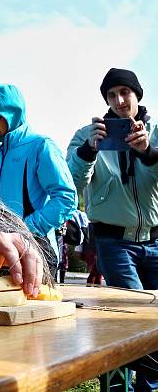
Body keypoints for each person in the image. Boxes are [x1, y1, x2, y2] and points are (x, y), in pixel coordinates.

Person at [67, 68, 158, 392]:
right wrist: (89, 151)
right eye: (111, 95)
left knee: (155, 322)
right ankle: (121, 387)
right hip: (113, 242)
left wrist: (149, 153)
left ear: (137, 94)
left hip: (156, 240)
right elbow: (72, 184)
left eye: (125, 92)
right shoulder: (87, 134)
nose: (119, 100)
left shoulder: (157, 132)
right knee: (129, 318)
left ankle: (149, 386)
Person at [0, 84, 78, 278]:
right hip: (2, 250)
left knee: (34, 308)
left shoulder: (41, 146)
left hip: (36, 247)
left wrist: (26, 229)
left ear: (11, 114)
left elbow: (66, 198)